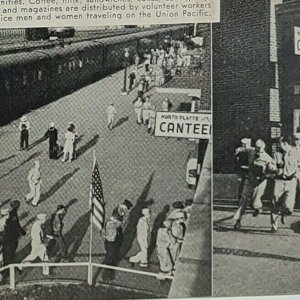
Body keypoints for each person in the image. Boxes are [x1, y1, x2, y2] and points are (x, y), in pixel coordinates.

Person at [271, 136, 298, 232]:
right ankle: (274, 226)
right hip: (279, 181)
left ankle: (285, 213)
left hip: (291, 182)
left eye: (280, 143)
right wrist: (274, 169)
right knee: (275, 202)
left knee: (289, 207)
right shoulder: (277, 154)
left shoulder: (296, 153)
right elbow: (272, 164)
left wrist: (297, 176)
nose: (279, 145)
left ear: (286, 143)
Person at [2, 201, 26, 273]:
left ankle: (7, 267)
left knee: (7, 253)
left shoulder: (10, 215)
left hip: (7, 238)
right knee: (9, 253)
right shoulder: (13, 215)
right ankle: (7, 269)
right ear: (18, 207)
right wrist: (23, 232)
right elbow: (17, 225)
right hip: (11, 238)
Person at [102, 213, 123, 281]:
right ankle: (107, 275)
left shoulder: (111, 223)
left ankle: (108, 273)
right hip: (111, 243)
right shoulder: (111, 224)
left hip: (110, 243)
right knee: (110, 258)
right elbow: (112, 237)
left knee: (111, 257)